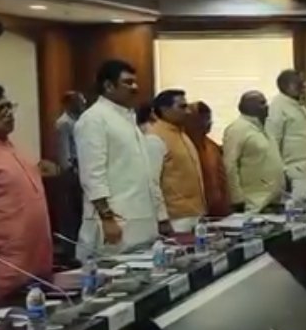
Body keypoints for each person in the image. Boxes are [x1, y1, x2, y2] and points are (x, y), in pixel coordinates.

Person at [75, 60, 167, 257]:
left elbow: (145, 174)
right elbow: (92, 175)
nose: (135, 87)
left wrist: (160, 216)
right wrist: (107, 219)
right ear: (108, 86)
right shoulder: (94, 119)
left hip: (141, 221)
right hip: (114, 223)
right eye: (128, 82)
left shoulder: (127, 118)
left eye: (135, 82)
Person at [0, 83, 53, 305]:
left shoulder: (12, 147)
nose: (8, 113)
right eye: (0, 109)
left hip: (36, 270)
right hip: (4, 273)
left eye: (9, 106)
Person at [147, 89, 206, 233]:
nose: (188, 112)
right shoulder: (154, 137)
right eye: (182, 107)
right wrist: (162, 218)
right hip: (175, 219)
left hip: (195, 214)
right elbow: (151, 182)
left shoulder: (182, 134)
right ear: (164, 109)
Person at [224, 91, 285, 212]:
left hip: (274, 201)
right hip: (253, 203)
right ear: (248, 107)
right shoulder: (237, 129)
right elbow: (230, 166)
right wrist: (237, 199)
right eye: (262, 103)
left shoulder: (265, 128)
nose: (267, 106)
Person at [267, 69, 306, 194]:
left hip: (304, 167)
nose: (305, 86)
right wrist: (281, 173)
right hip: (291, 169)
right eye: (301, 83)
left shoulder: (297, 104)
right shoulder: (278, 106)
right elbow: (273, 141)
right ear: (290, 86)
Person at [184, 101, 231, 218]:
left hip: (218, 209)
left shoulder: (211, 146)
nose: (209, 123)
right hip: (194, 210)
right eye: (204, 119)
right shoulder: (184, 145)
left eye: (209, 119)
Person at [54, 91, 86, 171]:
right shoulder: (64, 123)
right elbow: (63, 149)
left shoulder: (81, 120)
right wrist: (69, 168)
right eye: (79, 101)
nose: (83, 103)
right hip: (73, 166)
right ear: (69, 104)